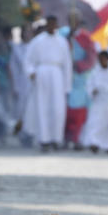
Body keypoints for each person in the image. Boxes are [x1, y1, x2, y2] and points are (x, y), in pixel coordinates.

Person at [23, 15, 72, 151]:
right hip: (42, 73)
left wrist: (67, 85)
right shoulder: (37, 41)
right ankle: (43, 139)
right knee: (42, 107)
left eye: (54, 23)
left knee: (57, 109)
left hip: (57, 75)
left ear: (56, 25)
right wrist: (31, 72)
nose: (51, 26)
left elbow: (67, 64)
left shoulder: (62, 41)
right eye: (49, 23)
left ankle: (56, 139)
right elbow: (28, 60)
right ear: (46, 25)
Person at [81, 50, 108, 153]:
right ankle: (94, 143)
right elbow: (89, 85)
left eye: (104, 59)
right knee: (95, 123)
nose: (102, 61)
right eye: (100, 59)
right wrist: (92, 91)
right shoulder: (95, 72)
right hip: (99, 101)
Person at [66, 18, 97, 149]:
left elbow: (91, 58)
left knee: (78, 111)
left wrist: (78, 65)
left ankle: (78, 139)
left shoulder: (85, 37)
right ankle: (66, 138)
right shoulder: (63, 35)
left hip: (79, 77)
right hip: (65, 77)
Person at [10, 24, 34, 138]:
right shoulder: (16, 48)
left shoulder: (36, 47)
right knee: (21, 108)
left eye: (29, 31)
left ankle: (32, 133)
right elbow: (13, 68)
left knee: (32, 108)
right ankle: (21, 133)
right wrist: (14, 85)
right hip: (21, 82)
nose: (27, 34)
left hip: (33, 82)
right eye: (25, 31)